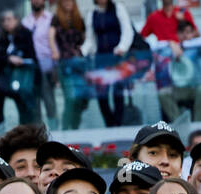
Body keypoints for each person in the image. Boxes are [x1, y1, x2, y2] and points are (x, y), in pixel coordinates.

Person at [86, 0, 136, 128]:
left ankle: (118, 123)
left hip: (117, 58)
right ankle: (109, 124)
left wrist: (122, 48)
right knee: (102, 94)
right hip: (101, 59)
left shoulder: (118, 8)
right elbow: (90, 39)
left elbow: (127, 31)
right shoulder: (92, 14)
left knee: (117, 92)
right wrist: (83, 51)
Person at [0, 10, 39, 127]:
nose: (6, 23)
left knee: (28, 107)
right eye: (4, 20)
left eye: (9, 19)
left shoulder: (25, 34)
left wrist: (20, 59)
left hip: (25, 77)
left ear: (16, 20)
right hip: (7, 81)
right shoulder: (3, 37)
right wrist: (9, 58)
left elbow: (32, 55)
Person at [50, 0, 89, 129]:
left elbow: (86, 38)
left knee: (81, 99)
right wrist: (55, 51)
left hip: (79, 63)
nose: (67, 3)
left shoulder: (79, 19)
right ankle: (66, 130)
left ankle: (75, 128)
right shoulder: (56, 19)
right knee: (70, 98)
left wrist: (83, 51)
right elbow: (50, 37)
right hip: (65, 64)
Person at [23, 0, 57, 126]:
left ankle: (55, 133)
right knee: (34, 104)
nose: (36, 1)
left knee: (49, 101)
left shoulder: (51, 19)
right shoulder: (25, 21)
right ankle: (38, 135)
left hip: (48, 65)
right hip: (31, 67)